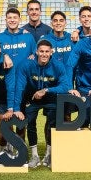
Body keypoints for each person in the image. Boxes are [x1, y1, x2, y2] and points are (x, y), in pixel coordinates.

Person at [17, 39, 72, 168]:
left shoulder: (58, 66)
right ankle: (34, 155)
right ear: (36, 52)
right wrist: (15, 107)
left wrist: (46, 90)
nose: (44, 54)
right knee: (30, 123)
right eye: (41, 51)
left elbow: (65, 86)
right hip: (32, 98)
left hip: (50, 98)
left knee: (52, 125)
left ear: (51, 52)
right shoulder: (27, 65)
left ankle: (48, 154)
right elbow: (19, 87)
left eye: (47, 52)